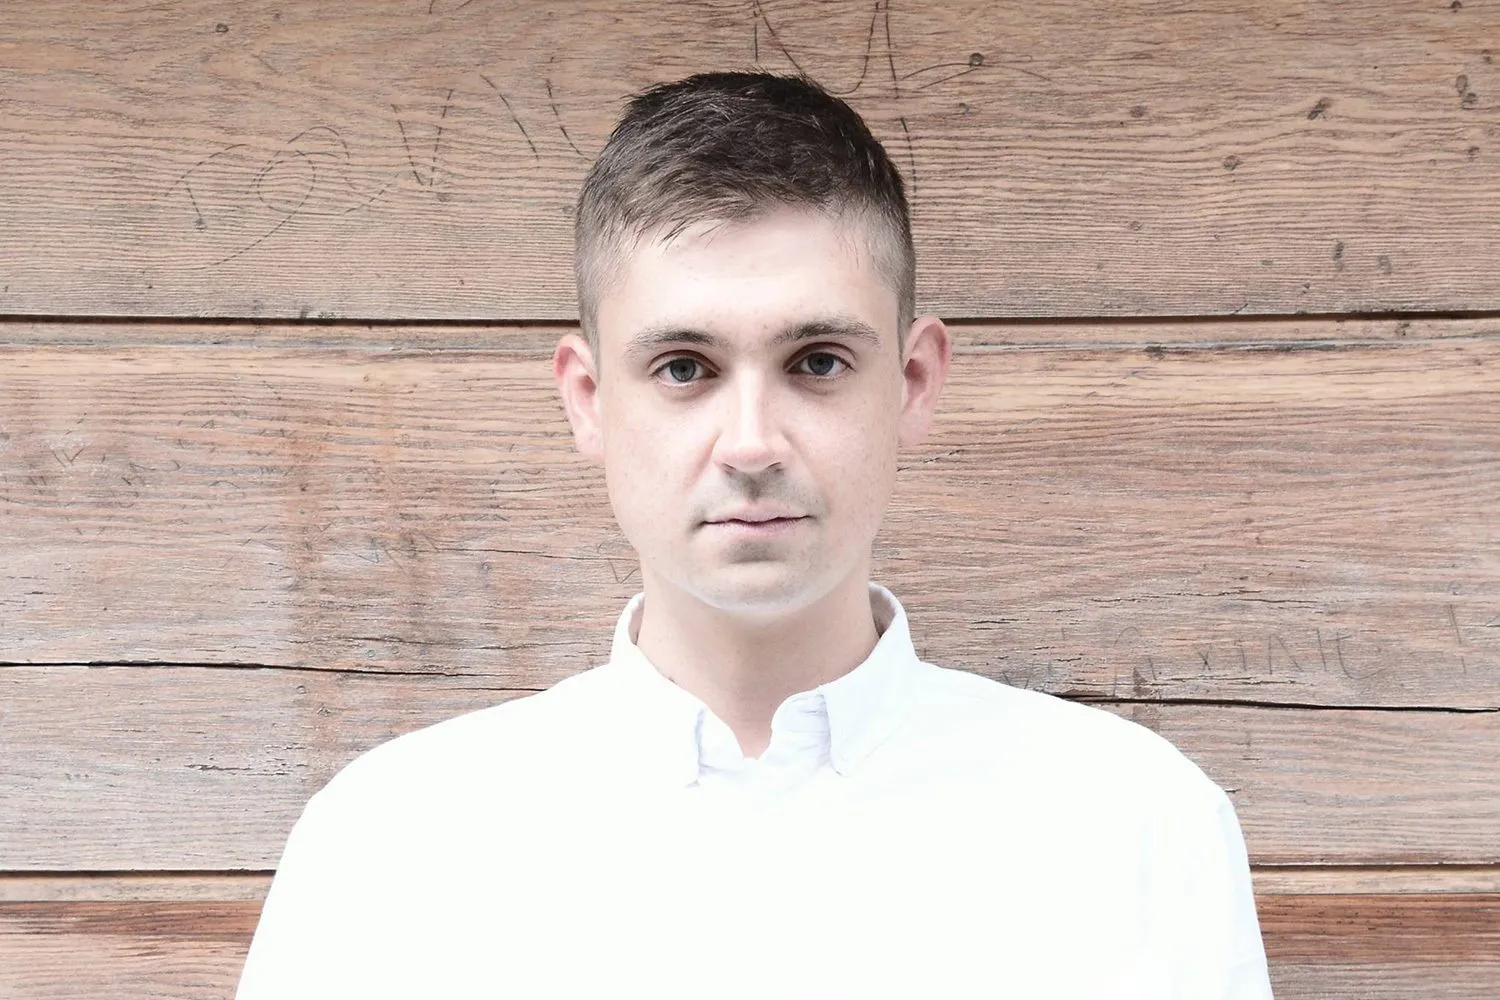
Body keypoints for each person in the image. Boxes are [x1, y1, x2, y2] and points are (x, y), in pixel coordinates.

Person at [235, 71, 1274, 999]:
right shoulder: (393, 848)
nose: (750, 442)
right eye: (684, 368)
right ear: (589, 398)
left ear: (912, 382)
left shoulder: (1135, 826)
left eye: (816, 362)